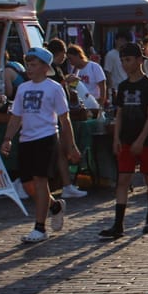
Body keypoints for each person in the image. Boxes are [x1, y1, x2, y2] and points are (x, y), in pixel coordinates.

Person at [0, 47, 82, 244]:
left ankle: (39, 227)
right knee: (28, 185)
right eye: (28, 64)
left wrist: (71, 145)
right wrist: (7, 138)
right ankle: (54, 206)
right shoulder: (23, 88)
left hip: (46, 138)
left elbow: (65, 119)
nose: (29, 68)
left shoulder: (54, 88)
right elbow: (16, 117)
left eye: (34, 64)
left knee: (40, 180)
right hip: (26, 140)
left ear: (45, 67)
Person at [99, 43, 148, 240]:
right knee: (123, 180)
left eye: (128, 60)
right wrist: (116, 138)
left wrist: (141, 140)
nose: (125, 64)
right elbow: (119, 114)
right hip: (126, 139)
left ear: (139, 60)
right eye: (122, 60)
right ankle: (118, 224)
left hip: (147, 141)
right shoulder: (123, 87)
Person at [45, 38, 86, 200]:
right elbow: (53, 89)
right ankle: (65, 185)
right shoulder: (52, 69)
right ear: (59, 53)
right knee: (61, 152)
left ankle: (66, 184)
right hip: (54, 116)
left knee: (61, 153)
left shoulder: (56, 68)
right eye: (64, 55)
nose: (65, 59)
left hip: (58, 113)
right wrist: (65, 82)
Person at [65, 44, 107, 110]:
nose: (70, 62)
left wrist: (101, 104)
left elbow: (102, 87)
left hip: (93, 104)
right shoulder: (73, 71)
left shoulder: (94, 67)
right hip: (80, 106)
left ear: (78, 55)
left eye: (71, 59)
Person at [103, 31, 131, 101]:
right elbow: (108, 72)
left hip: (128, 87)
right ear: (116, 40)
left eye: (125, 41)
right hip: (116, 88)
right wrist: (111, 89)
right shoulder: (110, 54)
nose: (123, 43)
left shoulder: (129, 54)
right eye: (121, 40)